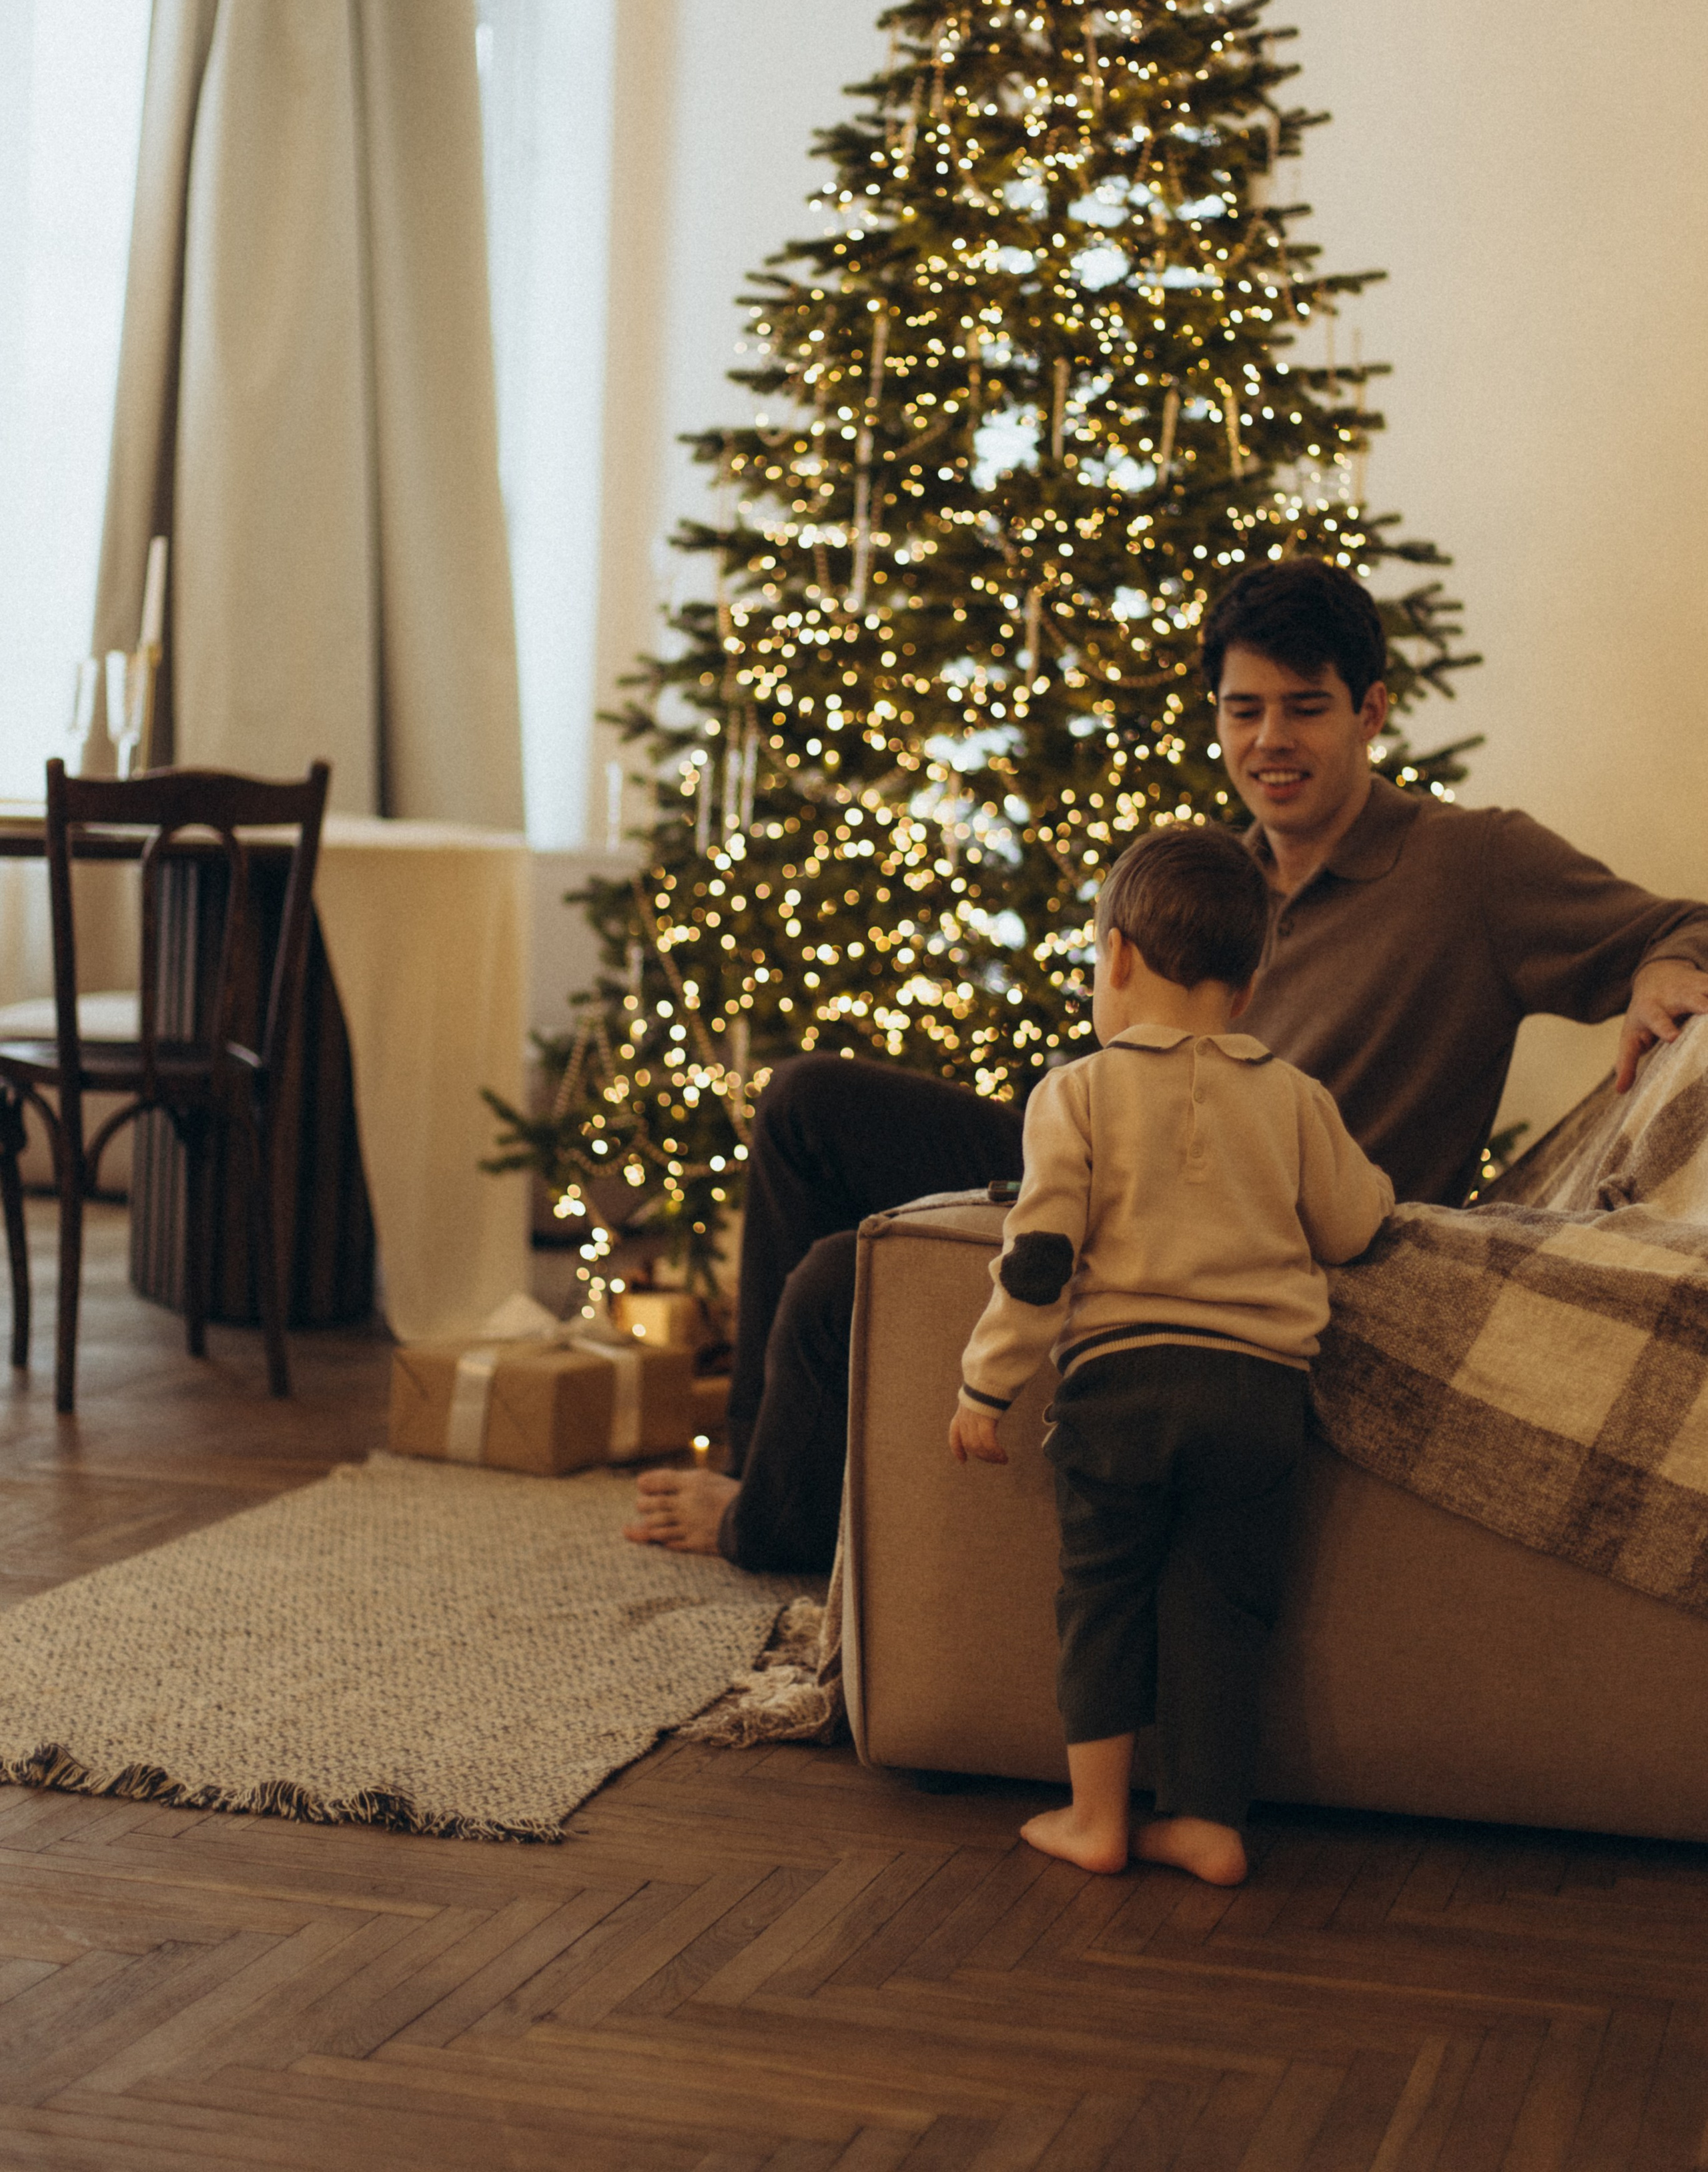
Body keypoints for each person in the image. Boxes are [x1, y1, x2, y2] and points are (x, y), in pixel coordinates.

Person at [627, 558, 1708, 1569]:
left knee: (835, 1281)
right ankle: (746, 1463)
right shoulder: (1214, 879)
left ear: (1372, 711)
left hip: (1248, 1226)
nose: (1269, 741)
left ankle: (766, 1522)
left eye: (1305, 707)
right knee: (807, 1100)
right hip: (1121, 1151)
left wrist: (1664, 965)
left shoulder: (1472, 866)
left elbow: (1688, 923)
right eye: (1244, 710)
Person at [951, 826, 1392, 1884]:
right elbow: (1354, 1224)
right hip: (1258, 1393)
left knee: (1103, 1596)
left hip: (1122, 1388)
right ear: (1249, 989)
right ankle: (1206, 1818)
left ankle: (1095, 1815)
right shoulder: (1295, 1095)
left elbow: (1039, 1255)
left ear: (1115, 957)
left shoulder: (1078, 1090)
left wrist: (986, 1384)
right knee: (1222, 1603)